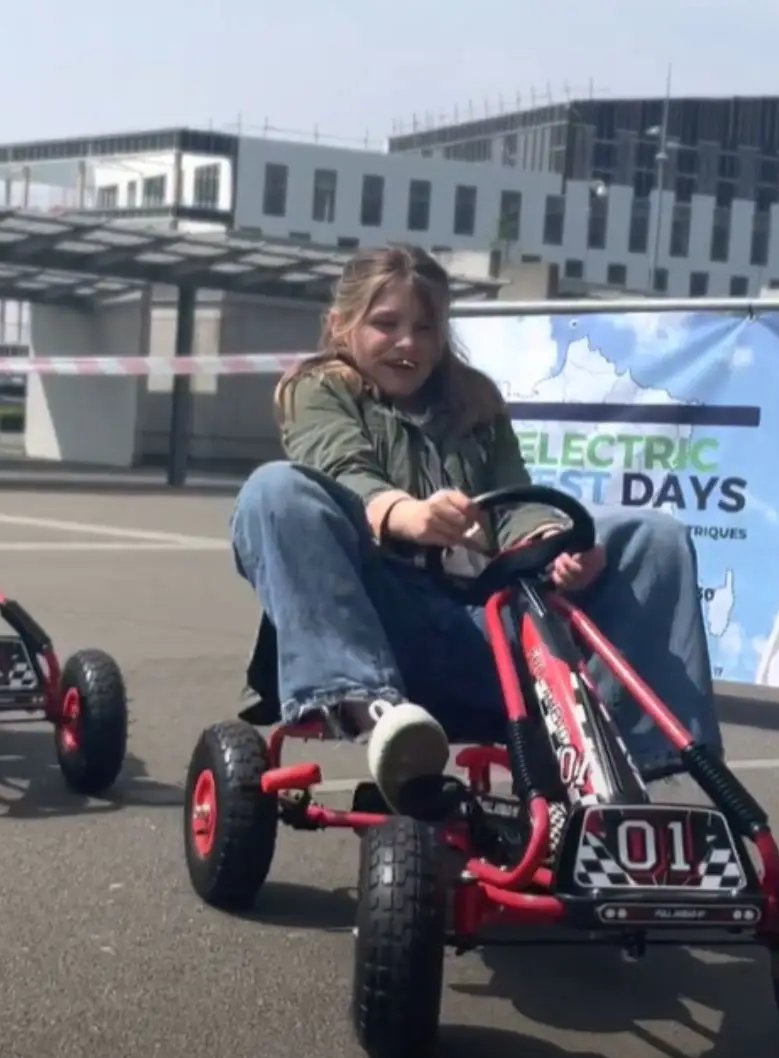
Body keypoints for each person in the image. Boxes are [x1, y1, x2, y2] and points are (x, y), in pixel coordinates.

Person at [230, 244, 724, 819]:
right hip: (385, 623)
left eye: (425, 328)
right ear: (339, 326)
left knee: (651, 534)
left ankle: (626, 765)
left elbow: (515, 501)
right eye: (386, 324)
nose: (408, 343)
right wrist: (401, 513)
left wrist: (558, 547)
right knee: (275, 490)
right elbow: (339, 466)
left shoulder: (476, 402)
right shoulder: (317, 389)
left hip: (483, 623)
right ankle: (376, 716)